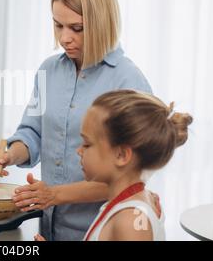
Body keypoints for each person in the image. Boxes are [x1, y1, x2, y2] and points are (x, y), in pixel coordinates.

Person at [0, 0, 153, 241]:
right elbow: (33, 132)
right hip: (49, 228)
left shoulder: (128, 80)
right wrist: (9, 154)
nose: (64, 38)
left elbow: (132, 179)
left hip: (101, 231)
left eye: (76, 28)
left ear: (102, 24)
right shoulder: (49, 70)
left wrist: (54, 194)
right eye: (57, 25)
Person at [37, 90, 193, 240]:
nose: (79, 151)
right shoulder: (132, 204)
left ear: (121, 155)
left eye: (87, 144)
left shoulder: (130, 221)